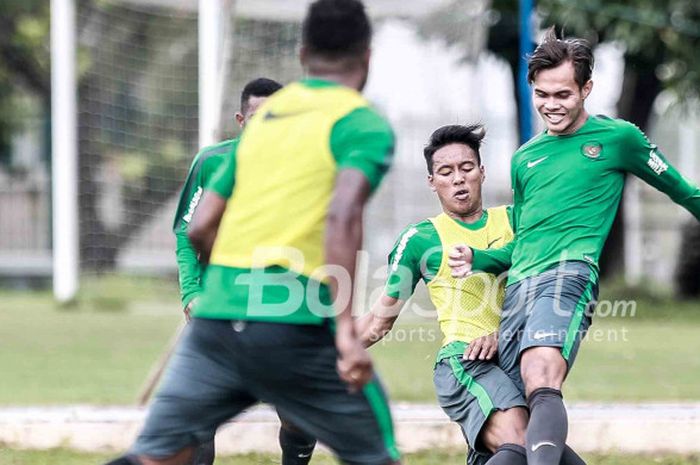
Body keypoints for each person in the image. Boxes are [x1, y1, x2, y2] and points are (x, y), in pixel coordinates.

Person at [104, 1, 400, 464]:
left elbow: (201, 227)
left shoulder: (264, 125)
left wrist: (224, 284)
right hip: (295, 320)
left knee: (154, 456)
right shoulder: (361, 124)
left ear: (303, 56)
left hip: (217, 321)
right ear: (367, 56)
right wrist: (345, 331)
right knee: (375, 453)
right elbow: (342, 217)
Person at [449, 27, 700, 465]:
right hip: (518, 293)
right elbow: (524, 241)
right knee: (513, 429)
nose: (551, 105)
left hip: (569, 276)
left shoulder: (619, 139)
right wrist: (479, 258)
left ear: (586, 88)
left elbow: (683, 191)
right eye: (542, 94)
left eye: (563, 94)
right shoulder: (526, 158)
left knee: (540, 373)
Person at [357, 124, 585, 465]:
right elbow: (378, 321)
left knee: (541, 454)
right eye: (446, 172)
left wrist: (503, 334)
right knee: (523, 441)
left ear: (482, 171)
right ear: (432, 181)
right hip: (465, 363)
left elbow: (547, 292)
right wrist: (319, 351)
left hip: (517, 362)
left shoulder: (516, 221)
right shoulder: (420, 239)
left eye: (466, 168)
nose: (458, 179)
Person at [171, 77, 317, 465]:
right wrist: (191, 292)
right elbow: (187, 234)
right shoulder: (212, 163)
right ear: (241, 119)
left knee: (299, 417)